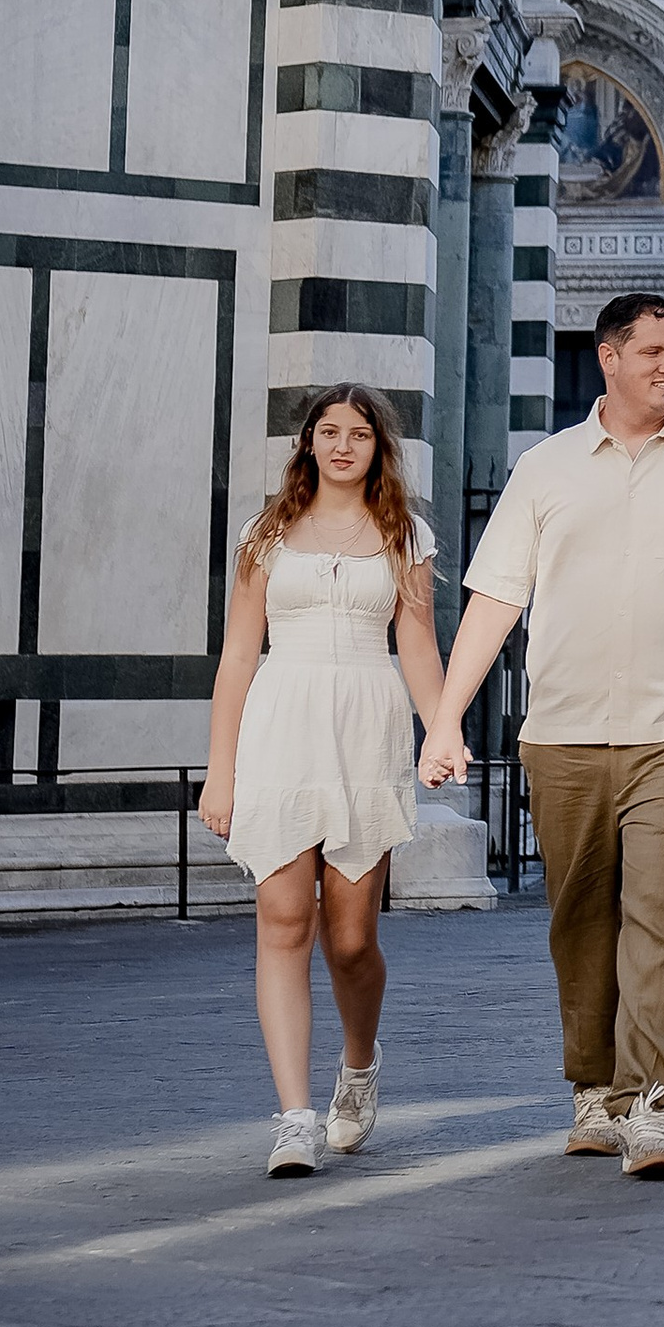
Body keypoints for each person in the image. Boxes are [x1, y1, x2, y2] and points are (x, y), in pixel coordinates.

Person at [418, 290, 664, 1179]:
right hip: (562, 736)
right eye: (654, 352)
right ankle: (594, 1092)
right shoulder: (545, 470)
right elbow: (495, 601)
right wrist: (443, 720)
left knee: (656, 916)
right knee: (580, 922)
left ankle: (655, 1108)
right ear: (609, 356)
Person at [199, 383, 444, 1177]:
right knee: (281, 920)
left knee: (350, 940)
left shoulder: (405, 535)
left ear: (379, 448)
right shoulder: (264, 535)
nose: (343, 446)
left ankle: (360, 1063)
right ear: (306, 443)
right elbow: (238, 659)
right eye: (329, 431)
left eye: (360, 434)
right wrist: (220, 774)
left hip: (366, 736)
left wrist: (443, 731)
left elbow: (418, 650)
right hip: (280, 728)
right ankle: (294, 1117)